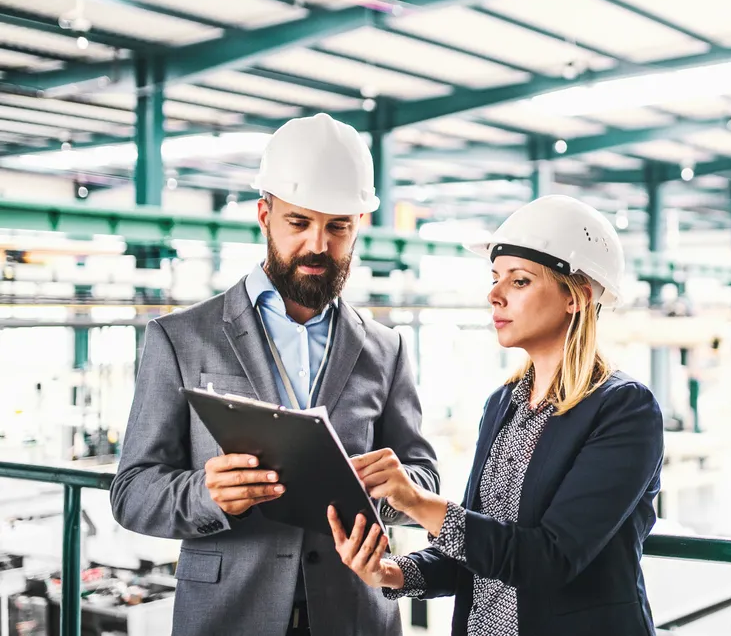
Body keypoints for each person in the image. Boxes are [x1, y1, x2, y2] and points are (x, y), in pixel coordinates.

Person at [110, 113, 439, 636]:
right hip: (229, 615)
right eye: (298, 223)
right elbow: (132, 492)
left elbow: (424, 478)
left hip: (354, 615)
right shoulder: (181, 338)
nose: (317, 245)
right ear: (265, 215)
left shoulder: (386, 348)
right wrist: (205, 494)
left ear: (358, 225)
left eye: (338, 227)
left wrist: (384, 489)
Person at [328, 195, 665, 636]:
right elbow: (477, 547)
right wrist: (390, 573)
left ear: (576, 297)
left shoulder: (624, 410)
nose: (494, 295)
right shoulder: (503, 403)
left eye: (519, 281)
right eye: (495, 279)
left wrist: (417, 502)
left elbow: (549, 557)